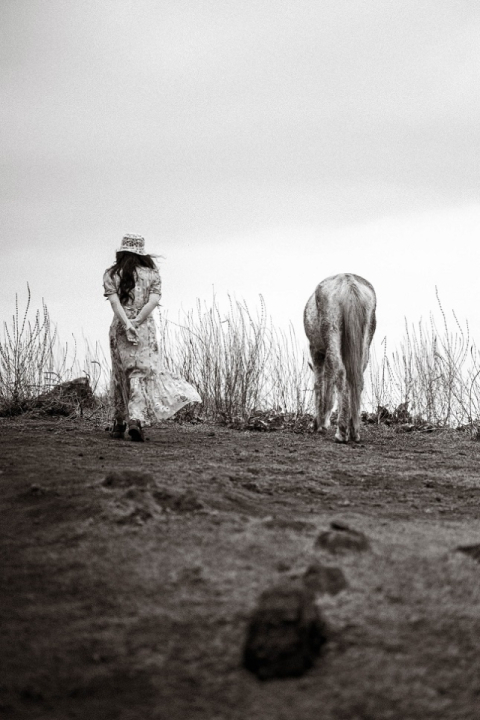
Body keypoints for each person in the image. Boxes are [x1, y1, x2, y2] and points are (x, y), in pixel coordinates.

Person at [103, 234, 201, 441]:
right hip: (145, 329)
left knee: (120, 374)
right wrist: (137, 323)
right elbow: (153, 302)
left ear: (122, 251)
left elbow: (114, 304)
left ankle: (119, 423)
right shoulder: (153, 275)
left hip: (120, 328)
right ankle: (135, 419)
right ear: (141, 253)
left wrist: (127, 324)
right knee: (139, 372)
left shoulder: (112, 274)